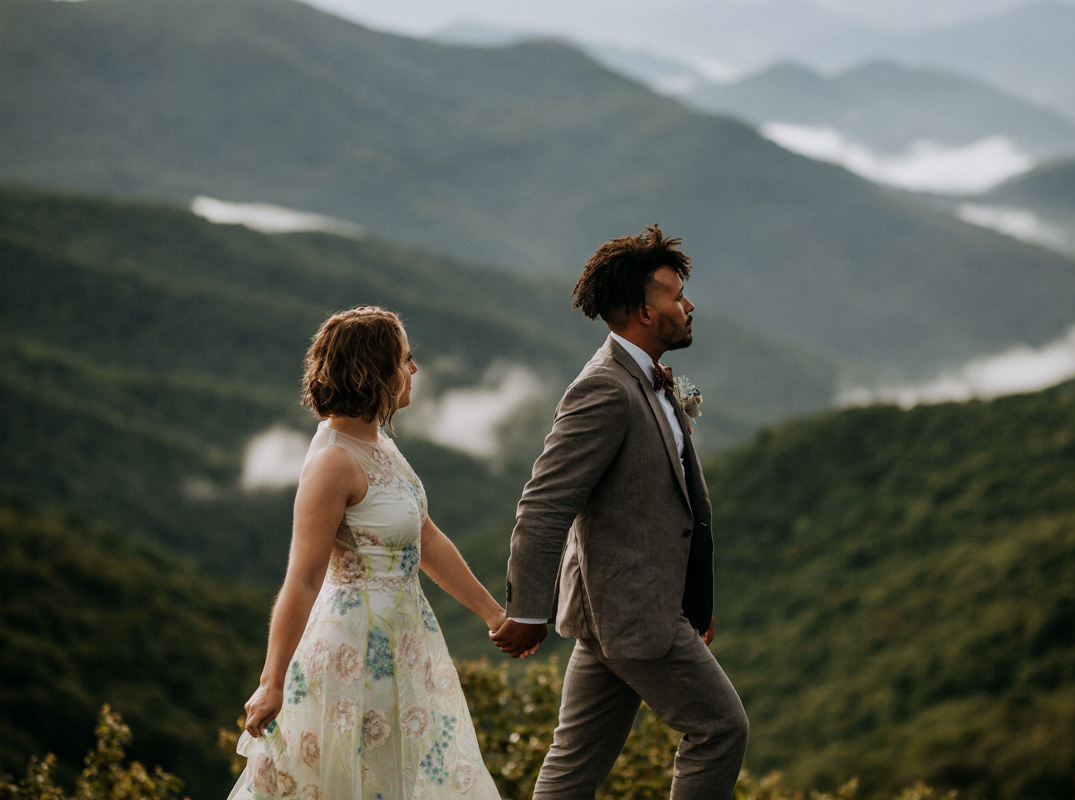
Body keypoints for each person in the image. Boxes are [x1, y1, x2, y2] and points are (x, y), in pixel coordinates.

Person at [490, 225, 749, 798]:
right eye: (674, 295)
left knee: (575, 764)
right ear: (642, 310)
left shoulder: (648, 377)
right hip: (633, 614)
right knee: (720, 729)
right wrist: (528, 608)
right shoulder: (604, 389)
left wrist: (695, 599)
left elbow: (679, 508)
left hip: (622, 609)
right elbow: (545, 501)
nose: (687, 306)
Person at [228, 306, 514, 800]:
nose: (415, 369)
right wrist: (272, 681)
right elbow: (302, 578)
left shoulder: (380, 443)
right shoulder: (332, 463)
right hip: (352, 655)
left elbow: (425, 539)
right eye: (406, 358)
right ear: (374, 371)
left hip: (404, 644)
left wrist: (493, 615)